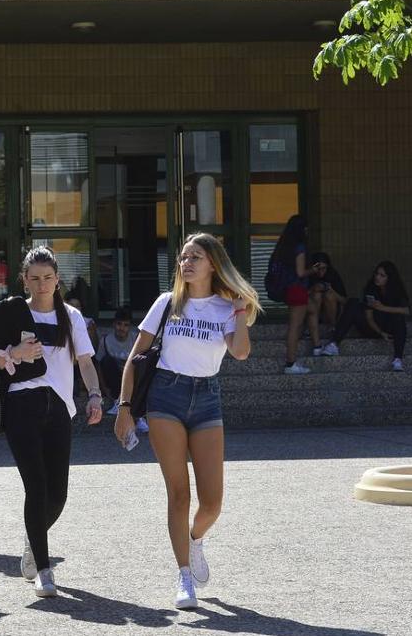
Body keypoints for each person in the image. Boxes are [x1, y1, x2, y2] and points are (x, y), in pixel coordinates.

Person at [113, 233, 261, 610]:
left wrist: (241, 313)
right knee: (179, 493)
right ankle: (183, 577)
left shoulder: (226, 306)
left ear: (214, 263)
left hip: (207, 398)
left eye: (195, 256)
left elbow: (241, 353)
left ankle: (195, 539)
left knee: (212, 501)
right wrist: (125, 408)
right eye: (183, 257)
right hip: (166, 395)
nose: (187, 263)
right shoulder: (167, 303)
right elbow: (135, 357)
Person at [0, 247, 104, 598]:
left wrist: (94, 395)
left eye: (47, 277)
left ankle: (32, 541)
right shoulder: (12, 313)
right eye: (34, 278)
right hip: (22, 404)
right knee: (36, 487)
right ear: (24, 279)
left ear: (57, 280)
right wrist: (12, 355)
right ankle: (44, 568)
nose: (41, 284)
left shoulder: (71, 317)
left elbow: (84, 362)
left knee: (57, 494)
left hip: (59, 408)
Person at [331, 260, 411, 371]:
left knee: (399, 318)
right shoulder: (371, 288)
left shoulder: (396, 290)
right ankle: (334, 343)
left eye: (382, 275)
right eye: (377, 274)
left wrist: (383, 307)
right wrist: (380, 332)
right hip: (372, 326)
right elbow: (369, 317)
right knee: (353, 302)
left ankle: (397, 359)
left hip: (388, 325)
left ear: (389, 278)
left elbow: (406, 310)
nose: (378, 277)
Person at [269, 215, 312, 374]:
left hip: (287, 289)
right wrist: (313, 270)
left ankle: (294, 360)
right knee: (295, 326)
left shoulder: (283, 246)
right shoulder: (299, 247)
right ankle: (291, 362)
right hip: (298, 288)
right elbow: (301, 272)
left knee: (306, 314)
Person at [97, 308, 147, 436]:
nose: (122, 328)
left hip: (132, 377)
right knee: (107, 361)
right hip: (115, 379)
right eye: (119, 324)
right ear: (114, 324)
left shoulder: (136, 338)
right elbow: (98, 365)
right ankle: (116, 401)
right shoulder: (106, 341)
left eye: (125, 325)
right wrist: (103, 388)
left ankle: (138, 416)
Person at [307, 252, 347, 357]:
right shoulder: (308, 275)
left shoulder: (333, 275)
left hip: (331, 314)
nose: (321, 271)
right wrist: (313, 289)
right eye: (318, 268)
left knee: (328, 295)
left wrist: (330, 290)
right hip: (313, 313)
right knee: (317, 295)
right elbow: (301, 296)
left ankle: (333, 327)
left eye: (324, 268)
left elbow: (344, 301)